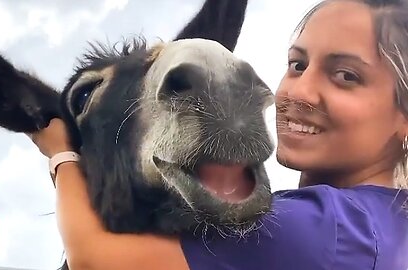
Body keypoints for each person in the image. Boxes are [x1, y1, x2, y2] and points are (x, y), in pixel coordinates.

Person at [29, 0, 408, 269]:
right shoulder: (390, 226)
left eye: (347, 76)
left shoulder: (326, 229)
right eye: (297, 64)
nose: (296, 92)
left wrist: (61, 152)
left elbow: (95, 259)